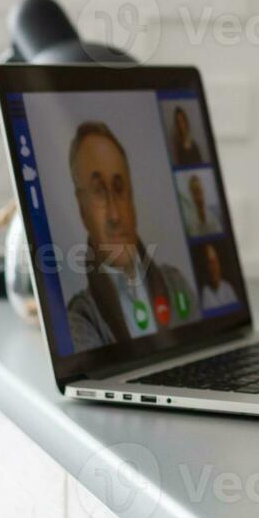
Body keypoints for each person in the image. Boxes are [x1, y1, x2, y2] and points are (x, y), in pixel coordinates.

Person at [64, 121, 196, 350]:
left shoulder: (175, 283)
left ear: (132, 198)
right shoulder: (82, 318)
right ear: (82, 210)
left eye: (119, 188)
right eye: (98, 191)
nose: (115, 214)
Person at [198, 242, 240, 312]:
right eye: (210, 262)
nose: (214, 267)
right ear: (206, 266)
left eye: (215, 261)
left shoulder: (228, 287)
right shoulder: (203, 294)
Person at [178, 172, 222, 237]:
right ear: (192, 195)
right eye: (195, 192)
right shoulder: (190, 220)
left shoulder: (213, 216)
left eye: (200, 191)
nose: (199, 197)